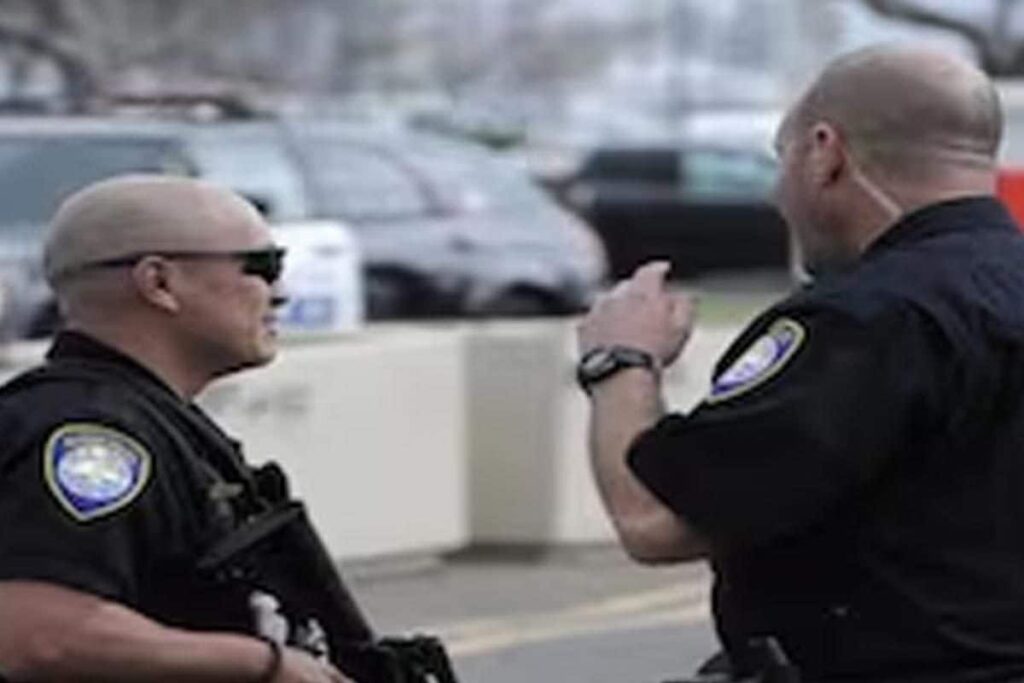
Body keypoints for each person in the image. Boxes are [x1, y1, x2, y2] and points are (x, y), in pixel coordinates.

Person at [577, 44, 1024, 682]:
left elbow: (657, 519)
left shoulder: (868, 322)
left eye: (780, 159)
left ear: (825, 153)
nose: (776, 192)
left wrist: (619, 359)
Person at [0, 175, 352, 682]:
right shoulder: (91, 433)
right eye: (262, 267)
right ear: (159, 282)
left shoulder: (150, 420)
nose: (281, 294)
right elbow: (37, 633)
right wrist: (267, 666)